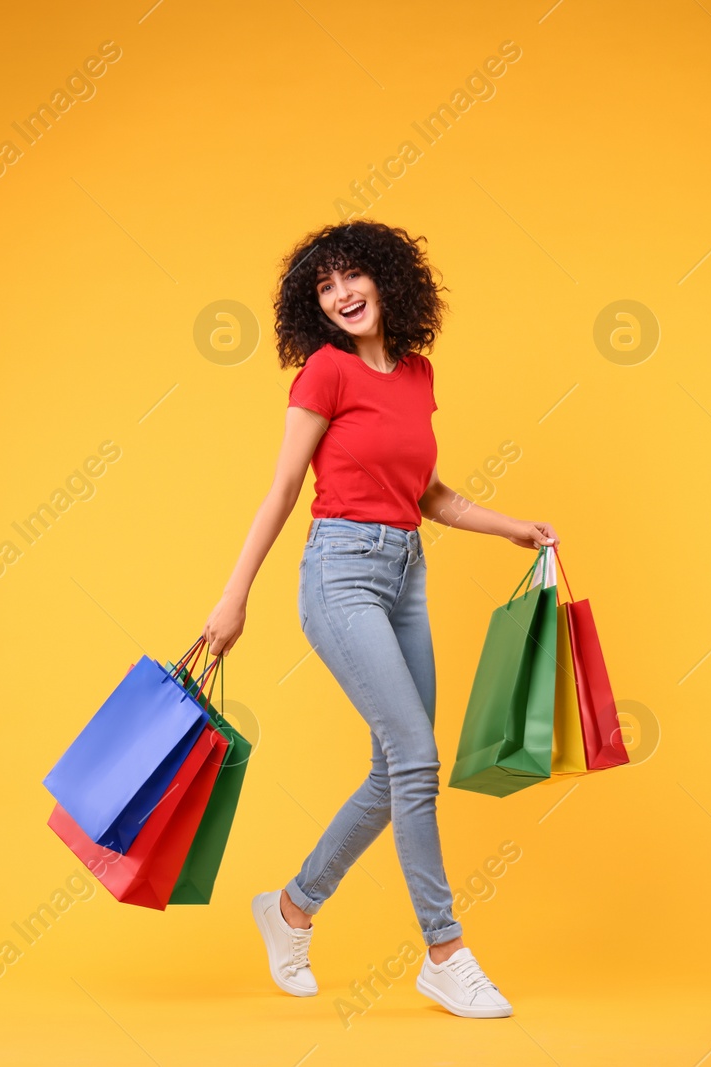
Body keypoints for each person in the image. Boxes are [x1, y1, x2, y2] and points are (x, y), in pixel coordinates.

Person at [202, 220, 557, 1019]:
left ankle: (290, 909)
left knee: (394, 772)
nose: (341, 295)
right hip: (340, 572)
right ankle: (445, 950)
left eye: (352, 277)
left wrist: (512, 526)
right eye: (324, 288)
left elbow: (428, 494)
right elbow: (284, 490)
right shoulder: (324, 373)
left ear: (388, 281)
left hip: (405, 574)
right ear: (312, 306)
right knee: (418, 758)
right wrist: (235, 595)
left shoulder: (418, 375)